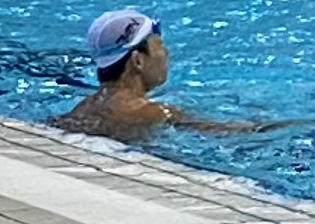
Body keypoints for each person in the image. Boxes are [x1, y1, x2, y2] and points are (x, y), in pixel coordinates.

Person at [59, 8, 288, 141]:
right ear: (138, 60)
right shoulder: (154, 113)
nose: (166, 53)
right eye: (159, 46)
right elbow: (229, 133)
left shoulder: (82, 109)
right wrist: (287, 126)